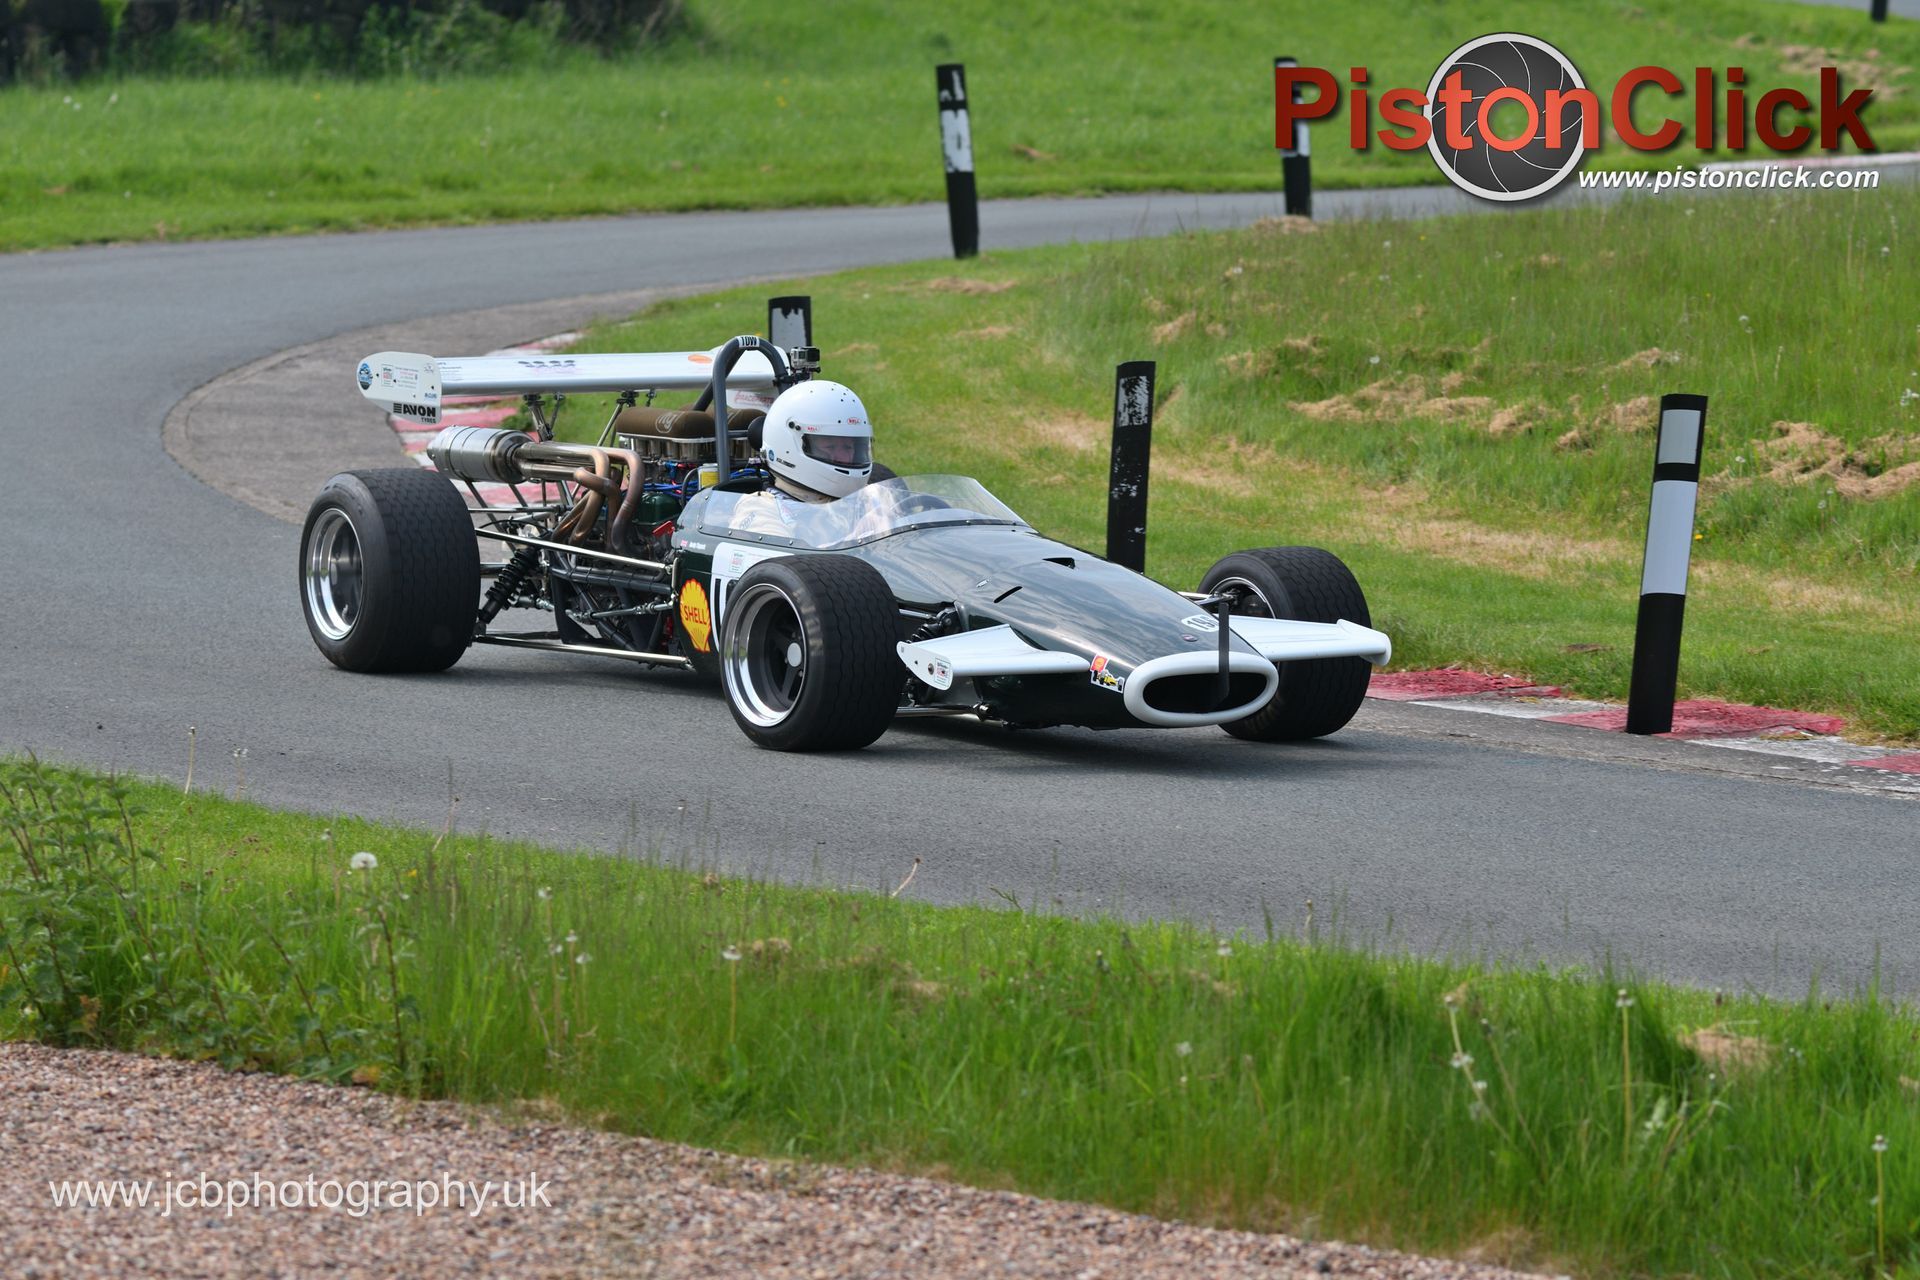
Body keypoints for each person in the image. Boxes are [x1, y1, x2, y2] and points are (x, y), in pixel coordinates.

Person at [727, 380, 875, 540]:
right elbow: (778, 564)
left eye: (848, 448)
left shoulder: (867, 499)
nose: (842, 458)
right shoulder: (761, 509)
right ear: (787, 446)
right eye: (830, 447)